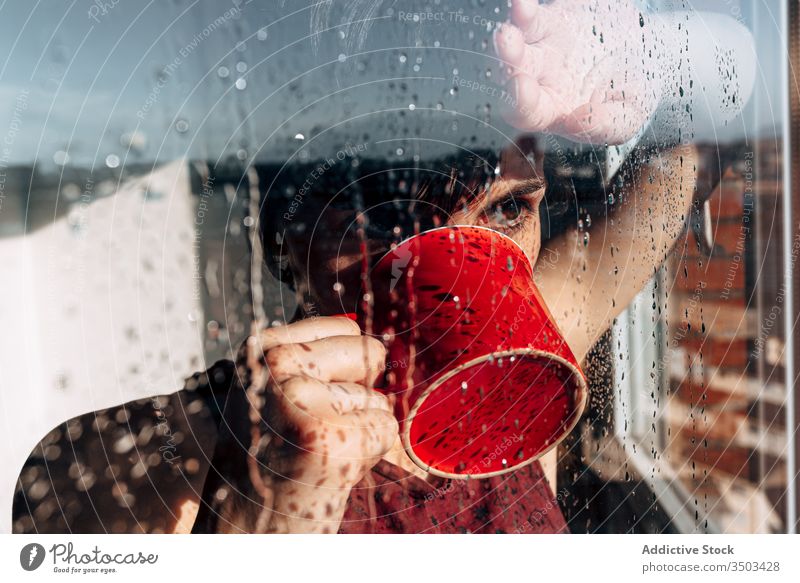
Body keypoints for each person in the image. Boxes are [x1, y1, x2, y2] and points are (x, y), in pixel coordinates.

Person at [12, 0, 753, 534]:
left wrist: (638, 52)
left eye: (504, 212)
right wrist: (264, 527)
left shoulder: (532, 358)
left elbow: (719, 114)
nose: (462, 273)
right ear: (283, 233)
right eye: (391, 216)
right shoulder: (129, 467)